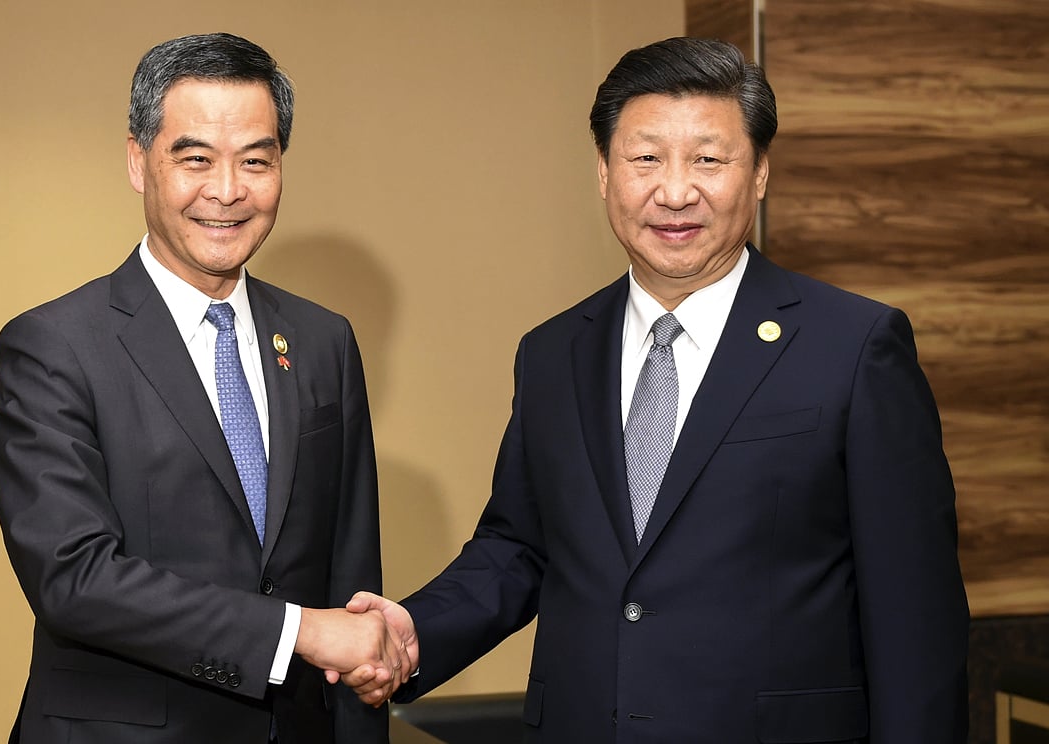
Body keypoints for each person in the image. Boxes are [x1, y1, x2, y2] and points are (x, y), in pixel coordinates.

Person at [344, 37, 969, 742]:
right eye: (645, 159)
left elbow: (915, 617)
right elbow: (520, 547)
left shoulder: (854, 348)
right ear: (605, 174)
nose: (675, 192)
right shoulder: (554, 353)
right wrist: (413, 631)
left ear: (760, 173)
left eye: (709, 158)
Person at [0, 33, 409, 744]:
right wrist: (296, 631)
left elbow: (348, 576)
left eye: (256, 160)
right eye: (194, 159)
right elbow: (75, 578)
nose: (226, 191)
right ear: (137, 162)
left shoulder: (321, 341)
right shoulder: (55, 346)